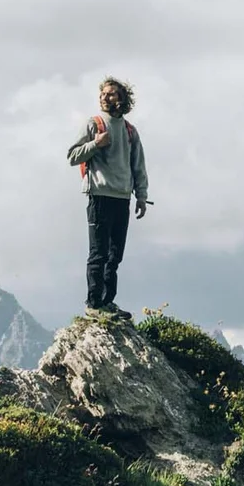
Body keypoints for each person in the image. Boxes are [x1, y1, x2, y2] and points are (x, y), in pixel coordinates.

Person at [66, 77, 151, 321]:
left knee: (115, 255)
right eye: (103, 93)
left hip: (122, 198)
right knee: (98, 253)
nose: (105, 97)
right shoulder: (94, 124)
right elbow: (72, 156)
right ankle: (93, 304)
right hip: (99, 196)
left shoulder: (129, 131)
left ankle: (107, 301)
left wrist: (141, 197)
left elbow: (138, 166)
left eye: (111, 93)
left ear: (123, 99)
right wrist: (95, 143)